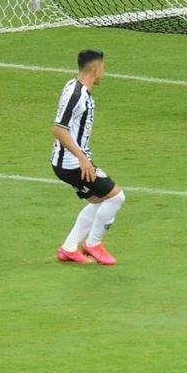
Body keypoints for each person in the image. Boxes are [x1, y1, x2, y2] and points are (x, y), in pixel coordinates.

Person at [51, 49, 125, 266]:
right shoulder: (77, 95)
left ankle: (68, 249)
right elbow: (59, 129)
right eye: (103, 68)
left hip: (70, 161)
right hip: (72, 163)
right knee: (116, 197)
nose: (104, 72)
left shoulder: (74, 86)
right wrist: (82, 158)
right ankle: (93, 244)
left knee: (99, 202)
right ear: (95, 68)